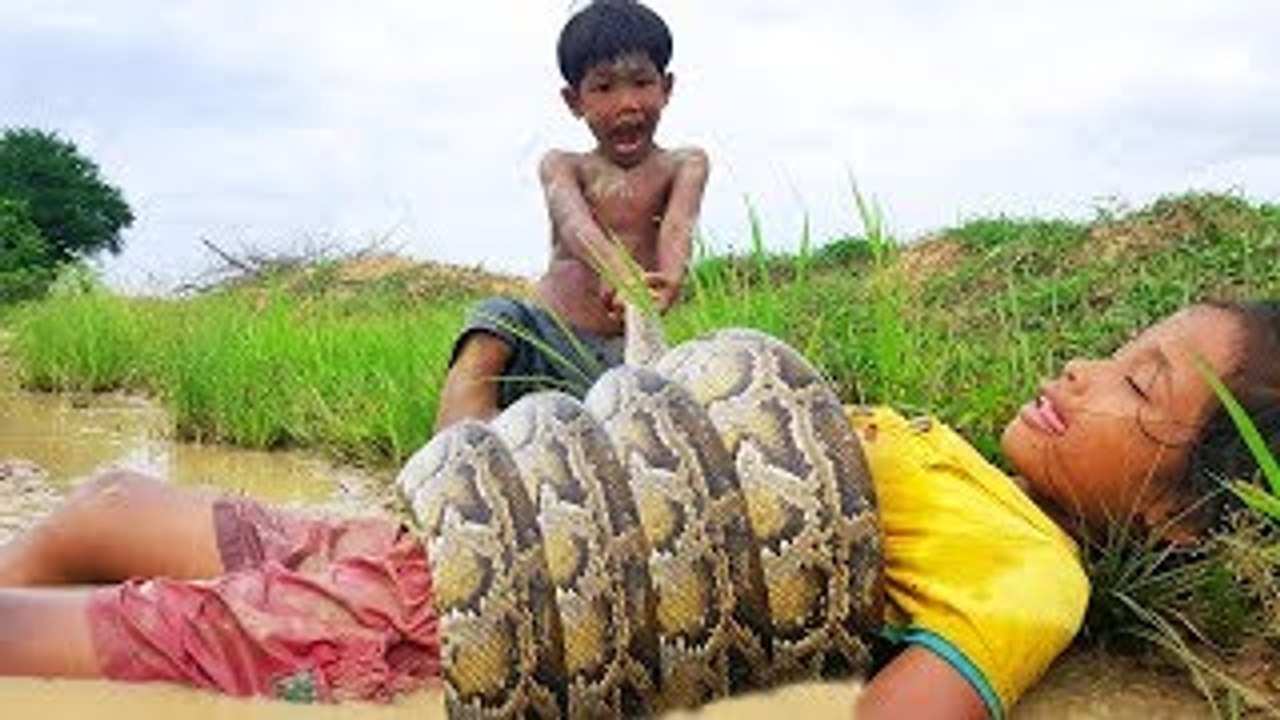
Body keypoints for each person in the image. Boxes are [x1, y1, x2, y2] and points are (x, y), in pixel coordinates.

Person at [0, 301, 1276, 714]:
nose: (1081, 370)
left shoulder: (1030, 576)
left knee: (74, 635)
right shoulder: (959, 459)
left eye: (1137, 385)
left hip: (441, 618)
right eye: (1114, 347)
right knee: (108, 493)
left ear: (1179, 519)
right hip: (432, 536)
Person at [433, 0, 710, 433]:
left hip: (619, 355)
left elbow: (679, 225)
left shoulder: (685, 164)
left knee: (658, 397)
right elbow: (576, 226)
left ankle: (562, 439)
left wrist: (669, 278)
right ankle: (462, 436)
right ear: (572, 100)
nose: (627, 104)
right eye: (603, 88)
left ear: (667, 87)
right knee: (495, 317)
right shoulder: (563, 165)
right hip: (546, 338)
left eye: (642, 82)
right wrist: (620, 272)